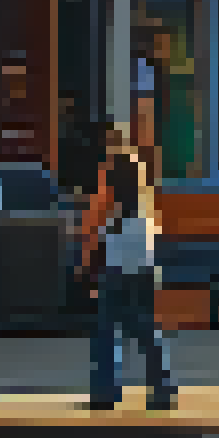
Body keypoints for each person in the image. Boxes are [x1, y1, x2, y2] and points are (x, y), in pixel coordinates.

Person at [78, 123, 175, 411]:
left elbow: (94, 221)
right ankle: (162, 389)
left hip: (118, 259)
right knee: (145, 326)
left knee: (107, 328)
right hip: (143, 258)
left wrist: (85, 263)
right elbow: (155, 223)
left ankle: (105, 393)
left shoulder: (110, 173)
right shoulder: (142, 176)